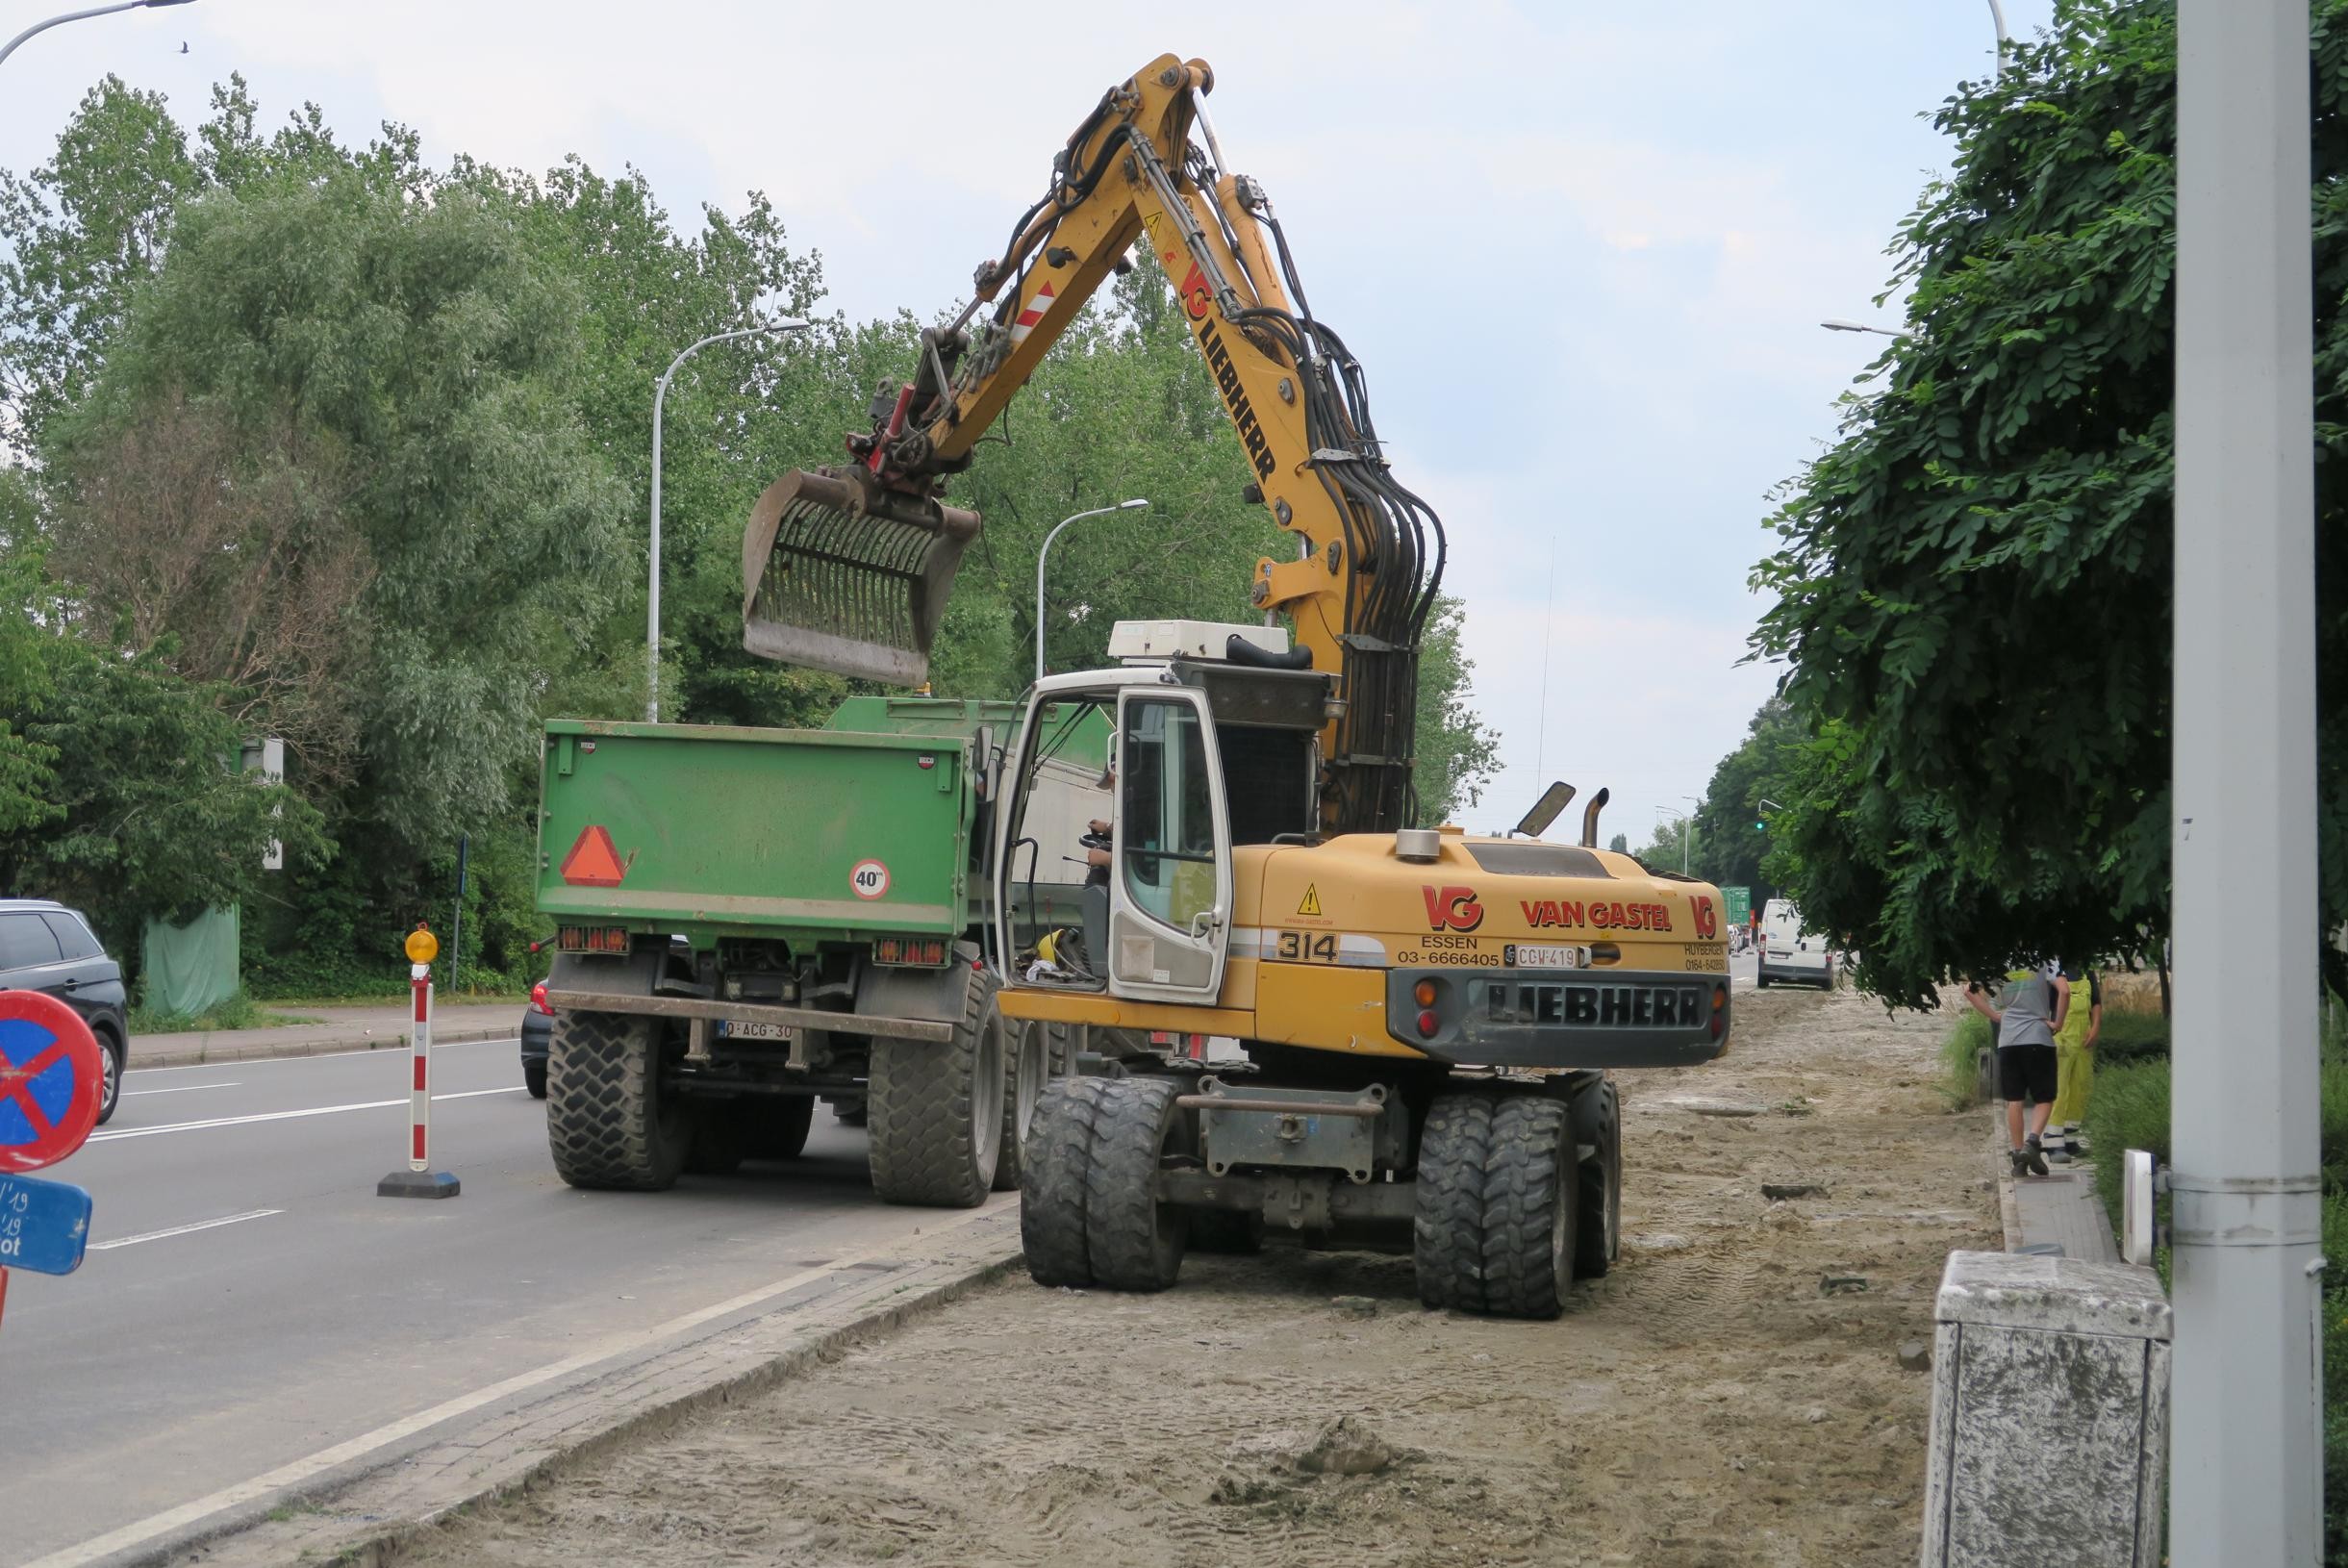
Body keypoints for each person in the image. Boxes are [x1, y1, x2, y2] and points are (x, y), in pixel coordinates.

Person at [1966, 961, 2071, 1177]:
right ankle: (2032, 1142)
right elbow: (2065, 991)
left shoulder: (1999, 959)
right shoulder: (2047, 959)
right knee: (2044, 1098)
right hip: (2038, 1037)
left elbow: (1969, 990)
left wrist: (1995, 1016)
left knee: (2014, 1100)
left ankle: (2019, 1158)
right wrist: (2058, 1023)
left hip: (2008, 1040)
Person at [2043, 960, 2103, 1165]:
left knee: (2081, 1087)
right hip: (2061, 1037)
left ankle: (2070, 1139)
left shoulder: (2086, 969)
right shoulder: (2052, 969)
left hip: (2084, 1038)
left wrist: (2095, 1028)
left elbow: (2096, 1002)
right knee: (2059, 1089)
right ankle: (2053, 1142)